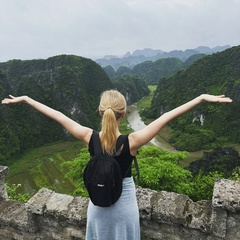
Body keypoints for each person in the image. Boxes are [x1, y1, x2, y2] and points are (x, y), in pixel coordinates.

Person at [1, 90, 232, 240]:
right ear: (122, 115)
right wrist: (200, 98)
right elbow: (166, 117)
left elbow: (58, 115)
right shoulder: (132, 142)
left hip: (98, 208)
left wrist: (27, 99)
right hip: (124, 208)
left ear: (101, 113)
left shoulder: (88, 137)